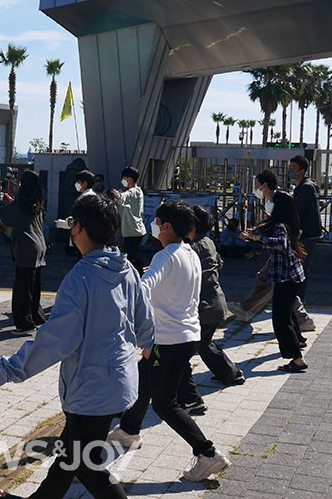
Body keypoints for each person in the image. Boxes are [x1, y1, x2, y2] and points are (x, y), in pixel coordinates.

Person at [0, 194, 155, 499]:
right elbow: (144, 318)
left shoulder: (80, 278)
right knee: (68, 457)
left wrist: (7, 369)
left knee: (85, 466)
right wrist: (148, 341)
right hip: (117, 381)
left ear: (79, 229)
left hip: (90, 388)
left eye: (73, 223)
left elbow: (55, 339)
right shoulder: (126, 269)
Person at [105, 201, 232, 481]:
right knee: (144, 380)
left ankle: (207, 453)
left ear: (167, 227)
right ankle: (129, 430)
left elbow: (143, 290)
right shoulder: (188, 252)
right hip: (186, 335)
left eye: (157, 220)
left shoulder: (166, 256)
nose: (154, 224)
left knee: (165, 404)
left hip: (169, 339)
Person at [229, 170, 313, 332]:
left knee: (277, 285)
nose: (255, 189)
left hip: (283, 257)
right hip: (282, 256)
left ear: (264, 185)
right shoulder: (274, 201)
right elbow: (271, 223)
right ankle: (302, 320)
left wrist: (258, 237)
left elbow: (279, 230)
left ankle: (247, 309)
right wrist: (255, 231)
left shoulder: (279, 201)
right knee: (270, 282)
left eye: (256, 186)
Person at [241, 190, 308, 373]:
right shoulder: (287, 222)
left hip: (286, 277)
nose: (269, 203)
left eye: (273, 201)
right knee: (288, 313)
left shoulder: (280, 225)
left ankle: (297, 359)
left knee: (280, 319)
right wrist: (255, 232)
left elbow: (281, 244)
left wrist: (257, 237)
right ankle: (299, 340)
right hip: (292, 275)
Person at [0, 171, 47, 334]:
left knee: (22, 288)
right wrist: (12, 203)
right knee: (34, 287)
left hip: (26, 248)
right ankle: (37, 317)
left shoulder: (20, 204)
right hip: (39, 246)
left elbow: (0, 213)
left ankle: (25, 324)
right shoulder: (36, 202)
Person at [189, 206, 244, 388]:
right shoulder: (208, 242)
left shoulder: (192, 248)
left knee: (202, 346)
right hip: (215, 301)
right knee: (204, 344)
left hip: (206, 306)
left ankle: (231, 374)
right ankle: (228, 373)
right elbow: (219, 263)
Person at [288, 155, 321, 331]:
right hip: (308, 233)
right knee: (301, 268)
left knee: (300, 269)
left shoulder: (306, 188)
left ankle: (299, 304)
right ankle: (298, 303)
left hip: (306, 234)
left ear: (302, 169)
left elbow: (297, 212)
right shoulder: (304, 186)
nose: (290, 170)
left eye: (293, 167)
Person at [113, 166, 147, 273]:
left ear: (129, 179)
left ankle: (139, 274)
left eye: (124, 178)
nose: (122, 181)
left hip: (133, 231)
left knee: (129, 258)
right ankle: (140, 272)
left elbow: (124, 196)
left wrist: (118, 195)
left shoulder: (133, 192)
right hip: (135, 230)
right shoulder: (138, 191)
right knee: (132, 256)